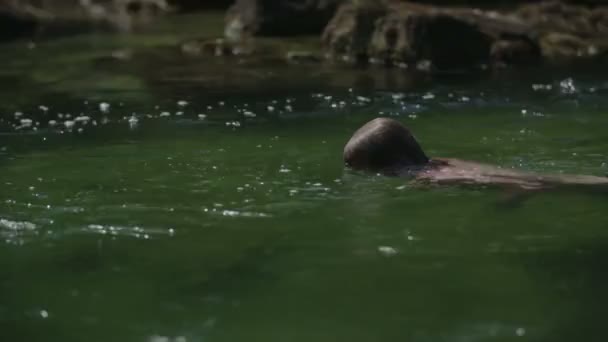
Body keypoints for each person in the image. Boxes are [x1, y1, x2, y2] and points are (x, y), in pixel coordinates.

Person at [344, 117, 608, 191]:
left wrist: (520, 186)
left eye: (357, 166)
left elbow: (484, 179)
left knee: (555, 182)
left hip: (526, 183)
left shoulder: (428, 180)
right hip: (525, 178)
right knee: (554, 178)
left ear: (386, 164)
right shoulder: (441, 161)